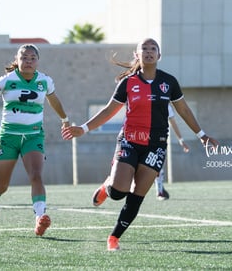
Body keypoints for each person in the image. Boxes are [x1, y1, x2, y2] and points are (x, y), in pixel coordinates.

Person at [61, 38, 218, 251]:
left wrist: (202, 135)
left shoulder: (169, 82)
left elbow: (184, 110)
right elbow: (108, 111)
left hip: (156, 145)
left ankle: (114, 237)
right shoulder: (127, 83)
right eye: (144, 48)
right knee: (118, 192)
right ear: (137, 55)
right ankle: (108, 187)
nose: (149, 51)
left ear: (159, 55)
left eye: (153, 48)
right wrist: (84, 128)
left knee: (138, 195)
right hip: (129, 141)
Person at [0, 44, 70, 236]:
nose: (28, 61)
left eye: (32, 58)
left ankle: (39, 217)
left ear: (38, 61)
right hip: (8, 137)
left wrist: (65, 119)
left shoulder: (45, 81)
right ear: (17, 60)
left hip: (33, 136)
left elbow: (54, 101)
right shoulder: (7, 80)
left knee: (36, 175)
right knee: (1, 185)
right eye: (24, 58)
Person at [154, 104, 190, 200]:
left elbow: (173, 122)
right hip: (142, 138)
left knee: (158, 164)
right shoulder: (145, 100)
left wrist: (181, 140)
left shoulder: (165, 104)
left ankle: (160, 191)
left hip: (159, 139)